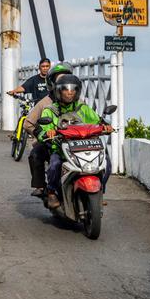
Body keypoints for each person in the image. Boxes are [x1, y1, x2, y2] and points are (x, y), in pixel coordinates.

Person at [36, 73, 114, 209]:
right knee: (54, 165)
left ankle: (100, 192)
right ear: (59, 91)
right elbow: (42, 129)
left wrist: (105, 126)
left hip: (83, 147)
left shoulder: (82, 108)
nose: (69, 93)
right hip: (61, 150)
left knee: (106, 164)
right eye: (66, 89)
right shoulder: (50, 111)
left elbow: (97, 121)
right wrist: (49, 132)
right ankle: (51, 192)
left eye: (73, 90)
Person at [26, 62, 73, 197]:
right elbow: (28, 123)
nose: (63, 83)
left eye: (66, 79)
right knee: (36, 154)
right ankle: (41, 186)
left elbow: (89, 118)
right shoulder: (45, 103)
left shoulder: (78, 101)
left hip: (72, 141)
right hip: (49, 141)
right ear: (52, 83)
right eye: (59, 80)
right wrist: (42, 133)